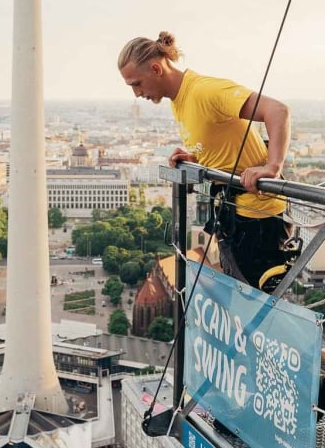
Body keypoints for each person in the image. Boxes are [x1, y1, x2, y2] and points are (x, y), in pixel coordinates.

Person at [118, 31, 295, 290]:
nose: (136, 93)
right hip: (236, 215)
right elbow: (223, 140)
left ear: (155, 68)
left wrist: (273, 166)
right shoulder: (179, 100)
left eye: (136, 83)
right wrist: (197, 158)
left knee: (259, 310)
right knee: (244, 305)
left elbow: (278, 111)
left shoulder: (204, 90)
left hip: (259, 220)